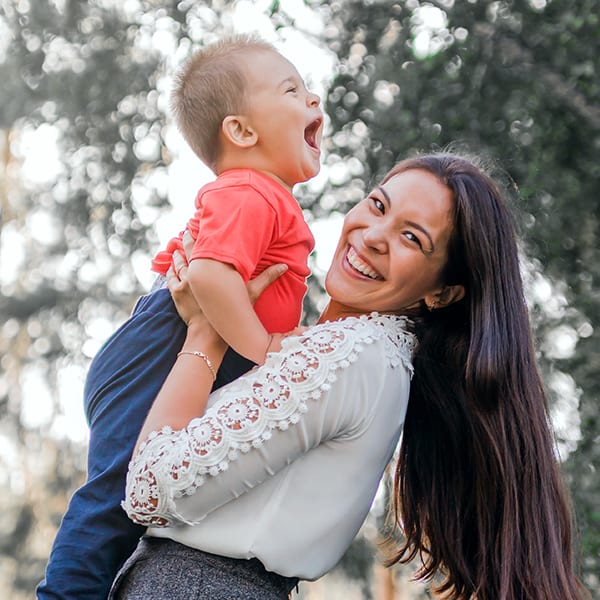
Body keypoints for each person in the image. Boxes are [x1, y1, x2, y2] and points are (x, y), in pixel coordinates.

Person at [111, 153, 587, 599]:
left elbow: (151, 490)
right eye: (378, 205)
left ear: (443, 294)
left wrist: (205, 335)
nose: (374, 234)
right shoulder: (364, 354)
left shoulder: (352, 354)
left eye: (411, 238)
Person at [37, 34, 323, 599]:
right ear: (240, 131)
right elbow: (211, 277)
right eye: (293, 89)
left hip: (162, 349)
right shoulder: (252, 194)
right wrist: (267, 354)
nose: (314, 100)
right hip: (160, 344)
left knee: (135, 500)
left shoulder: (265, 199)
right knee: (115, 495)